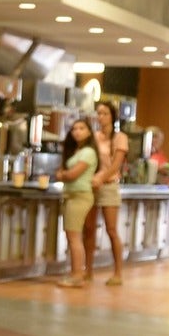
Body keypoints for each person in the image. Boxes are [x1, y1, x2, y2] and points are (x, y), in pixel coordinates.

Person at [90, 99, 129, 287]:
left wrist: (101, 177)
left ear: (112, 116)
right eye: (98, 113)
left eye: (104, 113)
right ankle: (87, 271)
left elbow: (115, 165)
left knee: (111, 230)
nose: (101, 117)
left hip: (109, 185)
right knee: (88, 230)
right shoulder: (94, 137)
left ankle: (118, 272)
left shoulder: (120, 137)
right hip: (92, 186)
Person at [56, 116, 98, 289]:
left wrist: (63, 175)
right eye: (74, 129)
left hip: (80, 195)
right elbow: (65, 172)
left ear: (89, 132)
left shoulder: (88, 152)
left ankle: (77, 275)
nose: (77, 131)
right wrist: (64, 174)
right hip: (70, 195)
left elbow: (72, 174)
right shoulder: (75, 151)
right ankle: (75, 272)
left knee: (74, 237)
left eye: (81, 128)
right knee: (71, 236)